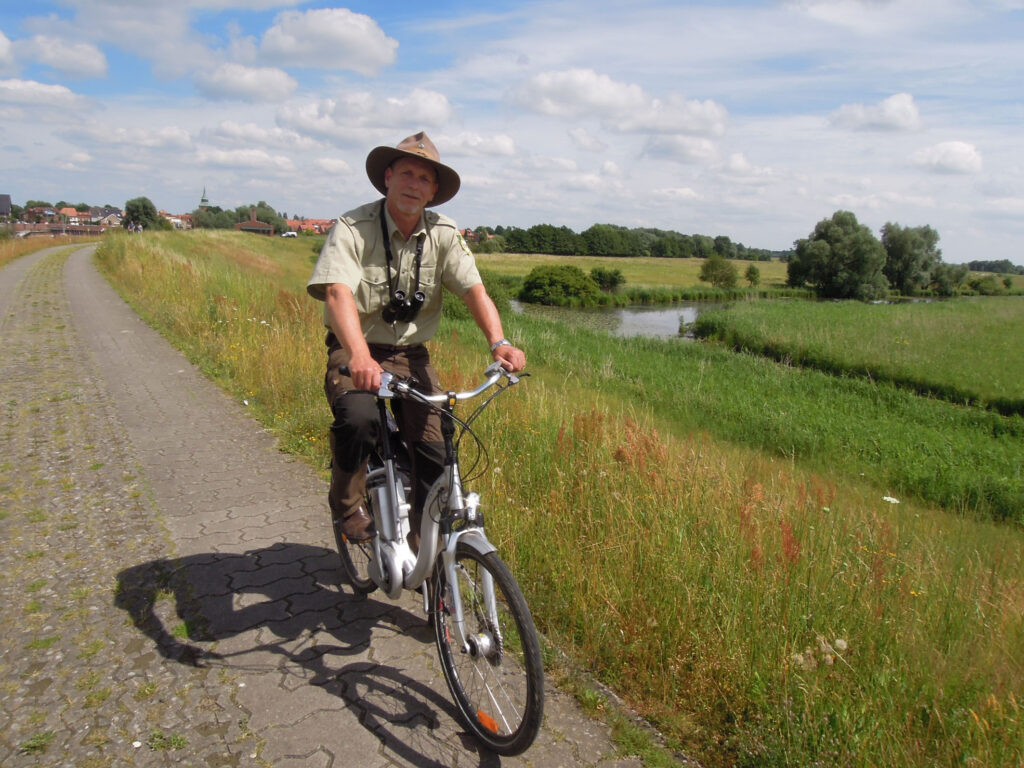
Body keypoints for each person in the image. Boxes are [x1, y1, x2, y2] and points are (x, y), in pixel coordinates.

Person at [307, 132, 525, 543]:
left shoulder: (443, 233)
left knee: (436, 452)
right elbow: (337, 293)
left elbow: (474, 291)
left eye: (424, 179)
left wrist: (499, 343)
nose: (414, 184)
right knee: (359, 421)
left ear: (434, 191)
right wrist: (359, 356)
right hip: (356, 347)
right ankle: (347, 506)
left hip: (411, 354)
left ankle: (425, 550)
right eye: (406, 173)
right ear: (387, 177)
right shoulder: (353, 227)